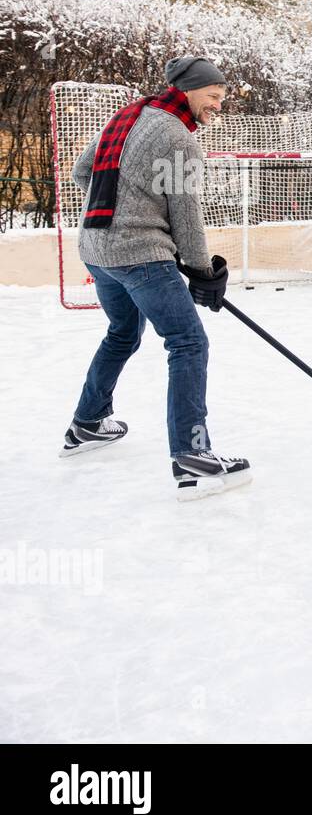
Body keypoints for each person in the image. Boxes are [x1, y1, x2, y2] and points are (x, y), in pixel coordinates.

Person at [60, 55, 251, 501]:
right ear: (189, 89)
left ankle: (87, 424)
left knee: (123, 333)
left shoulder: (129, 115)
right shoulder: (178, 137)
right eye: (213, 95)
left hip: (96, 249)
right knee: (188, 342)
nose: (218, 105)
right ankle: (193, 456)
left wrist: (118, 208)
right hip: (140, 255)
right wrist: (204, 271)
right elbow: (186, 215)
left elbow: (82, 171)